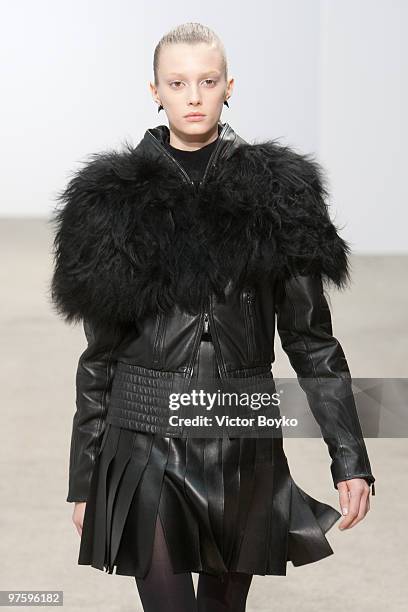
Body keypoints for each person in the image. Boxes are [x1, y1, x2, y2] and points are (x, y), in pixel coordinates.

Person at [49, 22, 375, 612]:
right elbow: (99, 355)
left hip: (241, 437)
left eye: (207, 80)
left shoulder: (280, 195)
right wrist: (85, 477)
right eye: (178, 82)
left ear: (230, 86)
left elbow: (311, 341)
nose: (193, 96)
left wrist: (349, 457)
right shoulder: (112, 203)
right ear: (155, 90)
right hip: (144, 434)